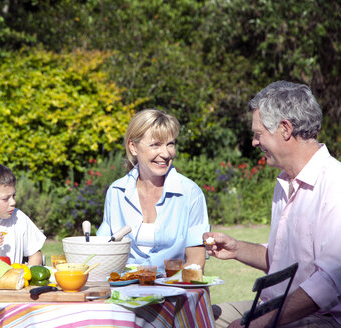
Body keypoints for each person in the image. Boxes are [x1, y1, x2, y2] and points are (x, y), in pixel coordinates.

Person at [205, 81, 341, 328]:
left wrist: (257, 324)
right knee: (201, 316)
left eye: (258, 134)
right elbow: (283, 258)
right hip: (274, 307)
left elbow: (329, 282)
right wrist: (236, 249)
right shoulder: (285, 182)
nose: (255, 143)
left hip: (322, 317)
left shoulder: (335, 184)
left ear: (285, 129)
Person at [97, 109, 210, 271]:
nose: (165, 153)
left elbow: (195, 262)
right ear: (133, 147)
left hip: (173, 288)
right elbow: (102, 249)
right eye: (155, 144)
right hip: (122, 289)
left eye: (170, 144)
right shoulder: (116, 192)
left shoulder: (190, 193)